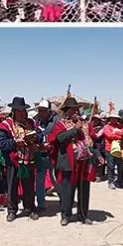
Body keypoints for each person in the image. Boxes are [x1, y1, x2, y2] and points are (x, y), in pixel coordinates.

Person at [50, 94, 97, 226]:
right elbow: (60, 139)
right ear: (67, 111)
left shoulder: (86, 124)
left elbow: (93, 140)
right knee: (67, 191)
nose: (75, 111)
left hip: (83, 162)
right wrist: (75, 129)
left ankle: (83, 215)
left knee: (84, 190)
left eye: (76, 109)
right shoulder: (61, 124)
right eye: (72, 109)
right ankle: (65, 215)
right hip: (68, 163)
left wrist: (96, 152)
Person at [0, 96, 38, 221]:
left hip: (28, 160)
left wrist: (35, 136)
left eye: (23, 111)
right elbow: (1, 143)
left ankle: (30, 208)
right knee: (12, 186)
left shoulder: (30, 123)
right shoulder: (6, 125)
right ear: (13, 111)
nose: (21, 113)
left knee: (29, 186)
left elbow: (39, 134)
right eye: (19, 111)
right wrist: (15, 142)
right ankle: (12, 210)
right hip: (13, 161)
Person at [33, 99, 58, 212]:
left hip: (53, 154)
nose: (41, 113)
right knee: (40, 180)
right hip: (40, 154)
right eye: (40, 110)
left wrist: (51, 145)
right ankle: (41, 203)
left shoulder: (57, 121)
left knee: (56, 179)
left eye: (44, 110)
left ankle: (64, 200)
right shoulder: (35, 121)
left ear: (48, 111)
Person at [97, 111, 123, 189]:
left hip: (120, 149)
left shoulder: (121, 126)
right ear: (109, 119)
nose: (114, 120)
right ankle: (111, 181)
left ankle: (120, 180)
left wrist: (115, 134)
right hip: (109, 149)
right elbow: (109, 135)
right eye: (112, 118)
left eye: (115, 118)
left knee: (121, 166)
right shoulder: (106, 127)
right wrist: (118, 135)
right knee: (110, 166)